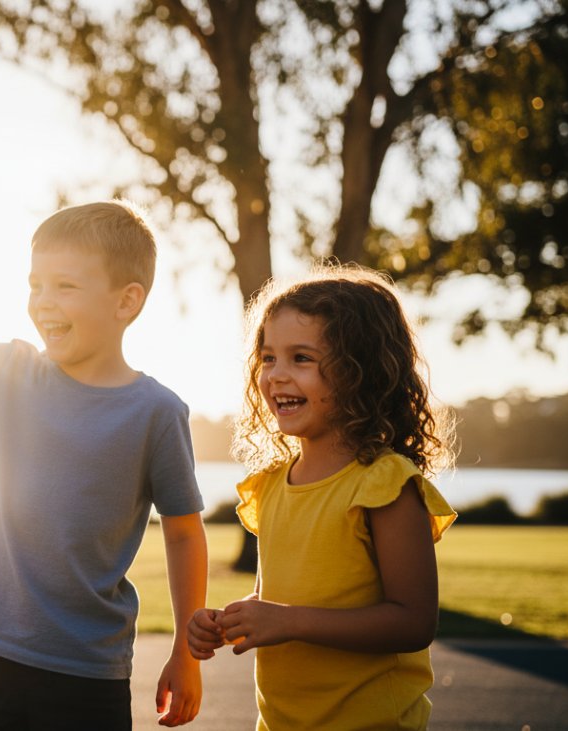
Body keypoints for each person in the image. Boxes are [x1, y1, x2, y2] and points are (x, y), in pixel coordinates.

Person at [0, 163, 209, 729]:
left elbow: (182, 530)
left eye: (66, 286)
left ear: (126, 302)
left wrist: (186, 650)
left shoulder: (157, 412)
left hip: (88, 672)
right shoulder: (3, 371)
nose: (43, 302)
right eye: (35, 285)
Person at [186, 265, 458, 730]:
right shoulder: (271, 484)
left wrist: (288, 622)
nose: (276, 376)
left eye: (302, 358)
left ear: (360, 371)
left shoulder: (384, 485)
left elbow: (413, 622)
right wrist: (230, 619)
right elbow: (280, 598)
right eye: (268, 358)